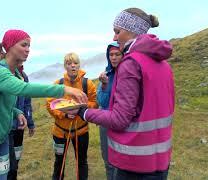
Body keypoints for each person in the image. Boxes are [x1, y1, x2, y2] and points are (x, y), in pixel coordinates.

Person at [0, 29, 88, 180]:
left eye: (29, 46)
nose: (28, 49)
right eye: (24, 45)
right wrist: (64, 89)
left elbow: (4, 101)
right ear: (10, 46)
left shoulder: (15, 73)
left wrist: (17, 112)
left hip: (2, 139)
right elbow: (23, 89)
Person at [73, 8, 175, 179]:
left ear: (131, 31)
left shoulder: (131, 63)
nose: (114, 37)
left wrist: (82, 112)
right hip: (160, 159)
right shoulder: (163, 64)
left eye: (117, 31)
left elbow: (120, 120)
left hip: (134, 162)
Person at [46, 52, 98, 180]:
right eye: (69, 64)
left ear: (79, 65)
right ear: (65, 66)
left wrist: (80, 109)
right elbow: (50, 104)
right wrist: (63, 113)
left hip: (81, 132)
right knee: (59, 162)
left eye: (75, 63)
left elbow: (95, 103)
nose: (73, 66)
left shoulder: (88, 84)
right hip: (60, 133)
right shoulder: (58, 84)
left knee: (81, 162)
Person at [96, 41, 123, 180]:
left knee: (123, 162)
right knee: (108, 160)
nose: (113, 57)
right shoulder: (106, 75)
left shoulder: (128, 73)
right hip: (106, 123)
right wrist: (105, 84)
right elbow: (101, 101)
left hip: (124, 123)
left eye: (117, 54)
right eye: (111, 54)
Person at [7, 64, 35, 180]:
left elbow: (27, 103)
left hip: (20, 128)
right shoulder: (4, 75)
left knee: (16, 162)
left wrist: (30, 122)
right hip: (6, 129)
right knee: (8, 165)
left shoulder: (24, 76)